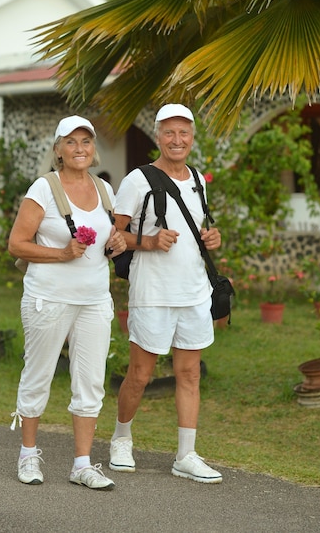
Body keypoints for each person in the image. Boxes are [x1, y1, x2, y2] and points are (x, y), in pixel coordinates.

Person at [8, 115, 126, 491]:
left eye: (86, 142)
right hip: (48, 298)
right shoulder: (44, 188)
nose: (79, 149)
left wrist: (117, 243)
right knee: (38, 374)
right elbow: (17, 244)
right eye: (70, 142)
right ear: (58, 150)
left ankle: (82, 464)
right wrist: (61, 254)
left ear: (94, 149)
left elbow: (112, 238)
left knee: (90, 382)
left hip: (94, 300)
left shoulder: (106, 190)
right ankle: (28, 455)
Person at [109, 104, 223, 484]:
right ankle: (121, 439)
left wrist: (213, 238)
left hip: (194, 292)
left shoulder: (198, 179)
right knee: (140, 374)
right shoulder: (137, 180)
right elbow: (113, 239)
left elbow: (196, 229)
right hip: (153, 292)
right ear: (158, 136)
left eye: (184, 133)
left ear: (192, 137)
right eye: (170, 133)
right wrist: (149, 241)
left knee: (189, 374)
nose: (177, 141)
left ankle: (186, 455)